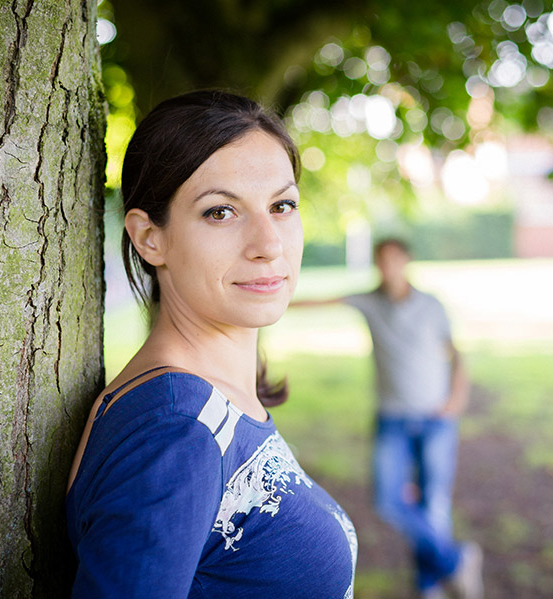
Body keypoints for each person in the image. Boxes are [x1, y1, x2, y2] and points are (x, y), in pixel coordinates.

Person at [65, 90, 357, 598]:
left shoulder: (216, 398)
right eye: (221, 212)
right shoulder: (175, 434)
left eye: (282, 205)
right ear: (149, 238)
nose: (269, 244)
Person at [293, 238, 482, 599]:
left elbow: (455, 354)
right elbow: (320, 302)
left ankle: (428, 585)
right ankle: (457, 559)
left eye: (394, 260)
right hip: (392, 419)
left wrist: (457, 398)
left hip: (436, 418)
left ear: (407, 261)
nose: (387, 267)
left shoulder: (431, 306)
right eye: (381, 261)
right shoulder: (369, 302)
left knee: (433, 504)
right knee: (388, 500)